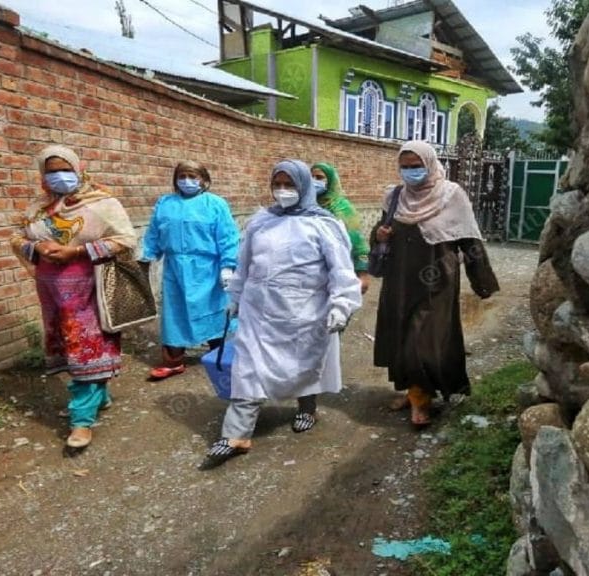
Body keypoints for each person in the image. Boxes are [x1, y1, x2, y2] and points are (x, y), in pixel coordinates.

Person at [200, 159, 362, 469]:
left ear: (302, 186)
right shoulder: (261, 222)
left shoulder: (324, 224)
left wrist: (341, 306)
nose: (283, 191)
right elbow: (244, 264)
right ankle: (236, 434)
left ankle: (306, 409)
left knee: (304, 364)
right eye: (278, 184)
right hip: (258, 311)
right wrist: (235, 296)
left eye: (290, 185)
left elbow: (341, 271)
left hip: (304, 311)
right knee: (248, 367)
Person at [10, 145, 136, 450]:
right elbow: (17, 237)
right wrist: (37, 248)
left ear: (78, 169)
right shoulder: (37, 208)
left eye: (64, 169)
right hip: (53, 292)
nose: (59, 176)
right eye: (51, 171)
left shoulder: (101, 202)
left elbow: (126, 239)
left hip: (89, 290)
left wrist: (77, 250)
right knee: (70, 348)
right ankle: (97, 396)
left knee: (85, 349)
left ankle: (81, 420)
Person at [370, 141, 499, 427]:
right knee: (401, 338)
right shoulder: (394, 197)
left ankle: (421, 400)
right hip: (399, 280)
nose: (410, 172)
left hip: (436, 280)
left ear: (429, 163)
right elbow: (380, 234)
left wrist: (482, 281)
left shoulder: (451, 194)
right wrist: (379, 235)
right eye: (405, 167)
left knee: (423, 340)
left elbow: (469, 239)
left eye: (416, 166)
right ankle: (413, 390)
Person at [140, 161, 239, 380]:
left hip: (208, 268)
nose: (187, 180)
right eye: (182, 176)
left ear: (204, 179)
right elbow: (154, 231)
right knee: (175, 313)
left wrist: (228, 266)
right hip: (175, 268)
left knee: (214, 310)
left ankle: (220, 355)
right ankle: (173, 360)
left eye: (192, 176)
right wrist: (147, 254)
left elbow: (228, 237)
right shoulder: (165, 203)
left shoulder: (215, 204)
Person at [311, 162, 371, 294]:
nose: (314, 181)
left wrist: (363, 274)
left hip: (341, 270)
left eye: (319, 178)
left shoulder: (343, 208)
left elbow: (358, 243)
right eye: (312, 177)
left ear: (331, 180)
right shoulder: (308, 205)